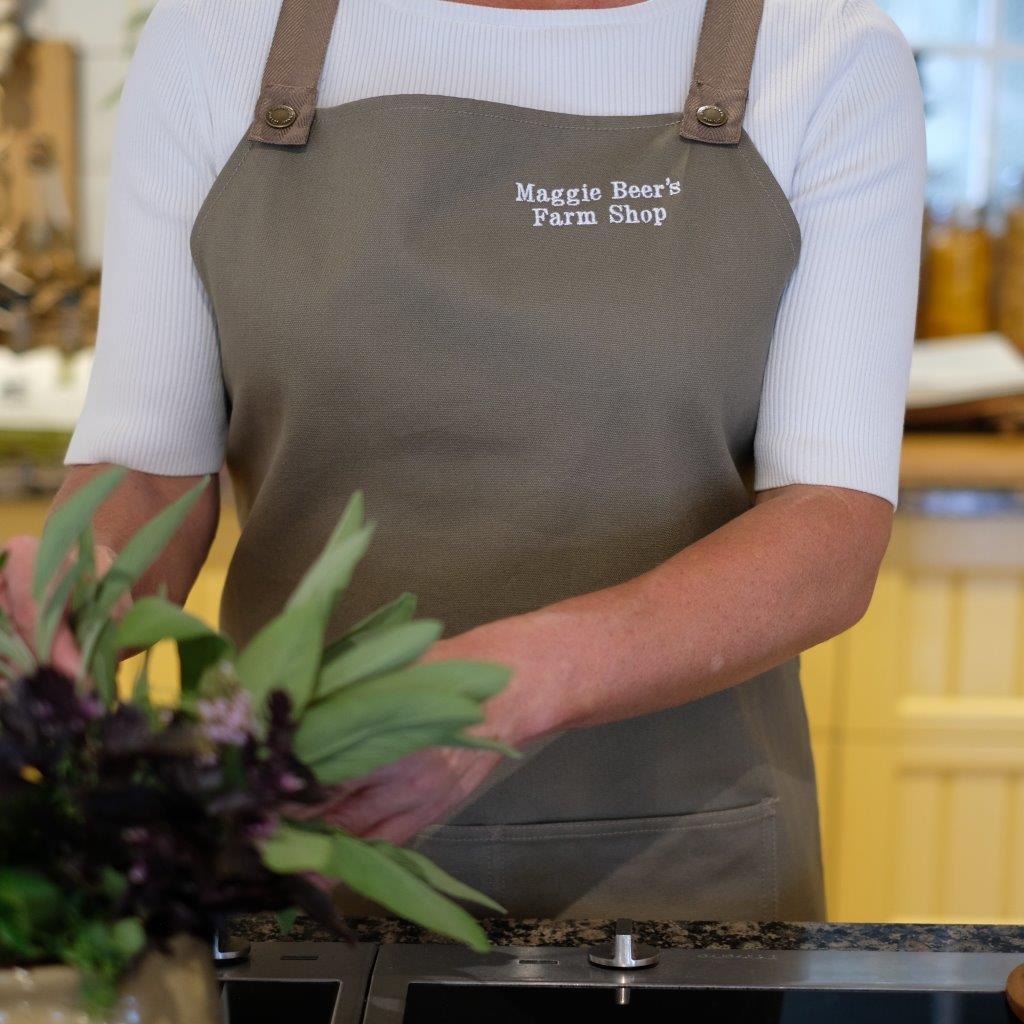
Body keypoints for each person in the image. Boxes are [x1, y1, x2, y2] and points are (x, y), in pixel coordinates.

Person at [0, 0, 925, 920]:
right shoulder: (218, 33)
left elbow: (828, 533)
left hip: (678, 870)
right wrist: (82, 599)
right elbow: (152, 472)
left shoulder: (822, 48)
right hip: (296, 851)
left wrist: (502, 691)